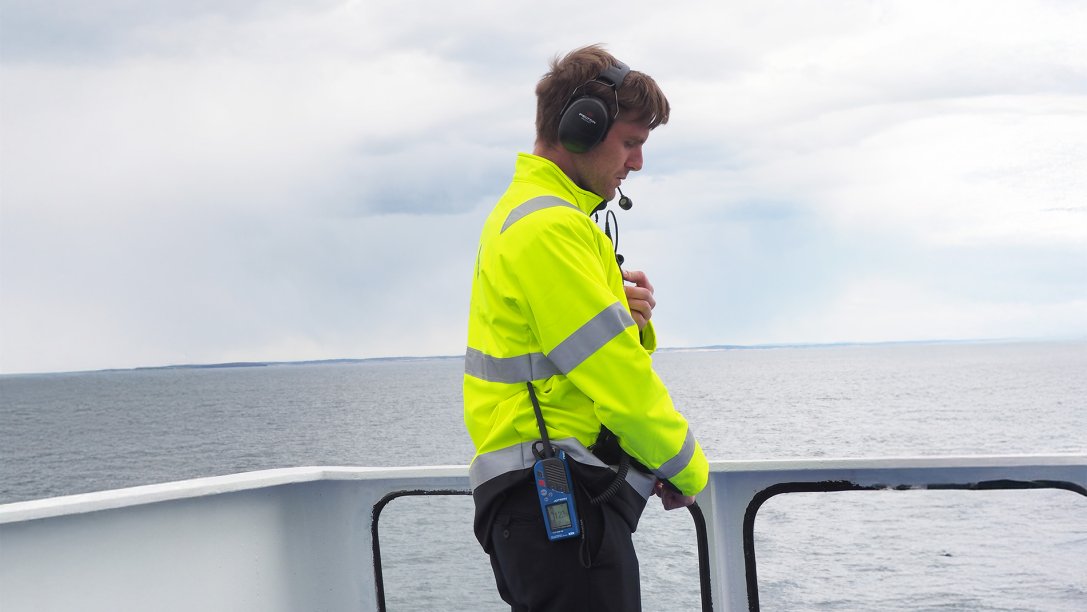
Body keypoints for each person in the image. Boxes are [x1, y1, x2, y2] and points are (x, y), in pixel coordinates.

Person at [463, 44, 709, 611]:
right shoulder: (549, 228)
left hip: (545, 508)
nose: (637, 163)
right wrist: (687, 467)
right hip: (557, 505)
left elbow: (567, 350)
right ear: (581, 128)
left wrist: (626, 316)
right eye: (631, 142)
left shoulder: (534, 216)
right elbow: (616, 376)